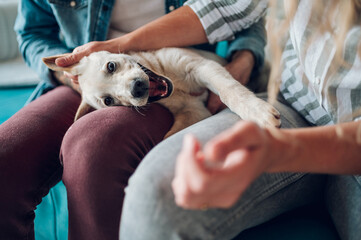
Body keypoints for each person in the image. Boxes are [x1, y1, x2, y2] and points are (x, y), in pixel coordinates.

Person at [56, 0, 361, 239]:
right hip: (286, 101)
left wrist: (279, 150)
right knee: (156, 196)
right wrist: (119, 47)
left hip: (348, 152)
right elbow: (222, 6)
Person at [0, 0, 267, 240]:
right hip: (86, 82)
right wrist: (72, 77)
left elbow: (242, 9)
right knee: (5, 158)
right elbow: (32, 33)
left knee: (93, 148)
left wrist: (245, 57)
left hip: (164, 72)